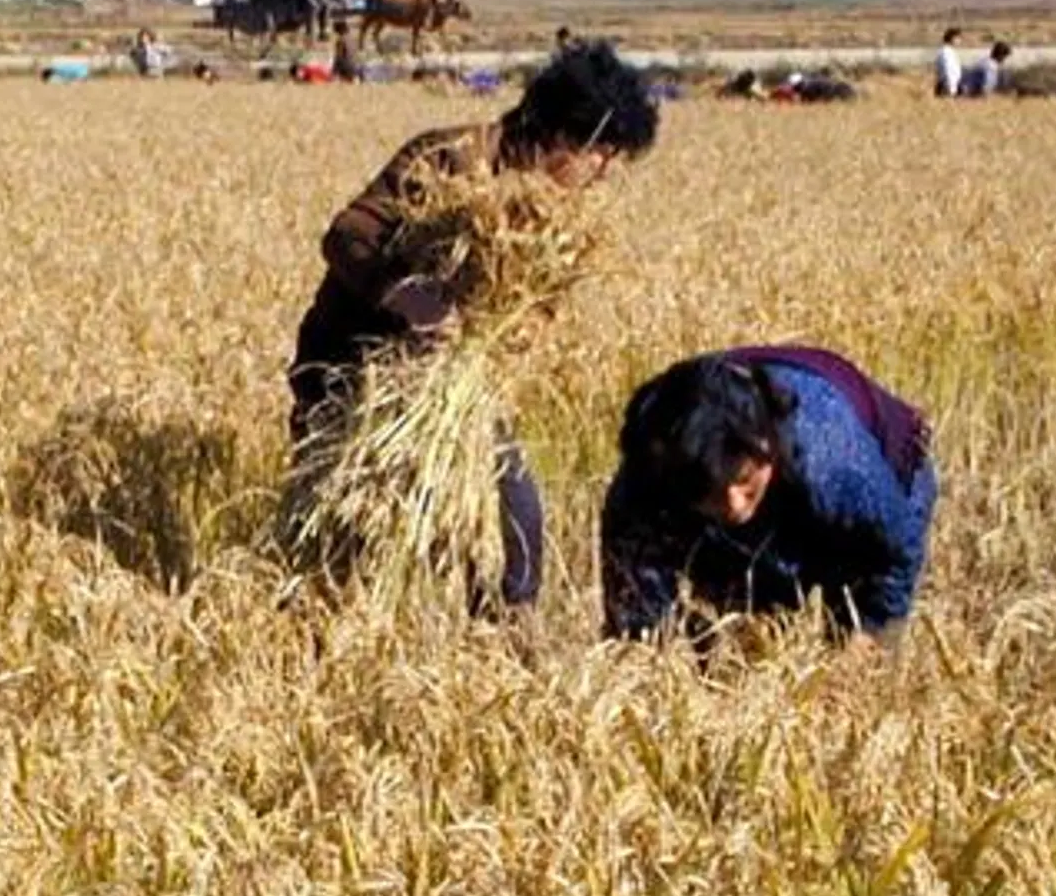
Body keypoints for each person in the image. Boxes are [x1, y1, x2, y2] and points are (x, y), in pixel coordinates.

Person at [284, 39, 659, 617]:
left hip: (461, 387)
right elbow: (346, 235)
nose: (603, 174)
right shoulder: (452, 160)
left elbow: (537, 302)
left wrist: (517, 333)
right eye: (601, 154)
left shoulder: (561, 213)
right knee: (349, 527)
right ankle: (321, 634)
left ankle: (505, 635)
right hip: (354, 368)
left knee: (515, 514)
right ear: (561, 134)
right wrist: (406, 295)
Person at [599, 345, 937, 654]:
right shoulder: (648, 477)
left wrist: (869, 633)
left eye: (744, 481)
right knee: (735, 640)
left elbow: (894, 550)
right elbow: (635, 619)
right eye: (712, 493)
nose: (734, 504)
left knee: (852, 661)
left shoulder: (834, 462)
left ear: (767, 443)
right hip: (731, 520)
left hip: (881, 491)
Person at [935, 27, 962, 98]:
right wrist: (952, 90)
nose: (960, 41)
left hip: (947, 86)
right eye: (958, 38)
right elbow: (948, 71)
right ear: (952, 39)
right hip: (948, 88)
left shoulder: (947, 51)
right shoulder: (947, 53)